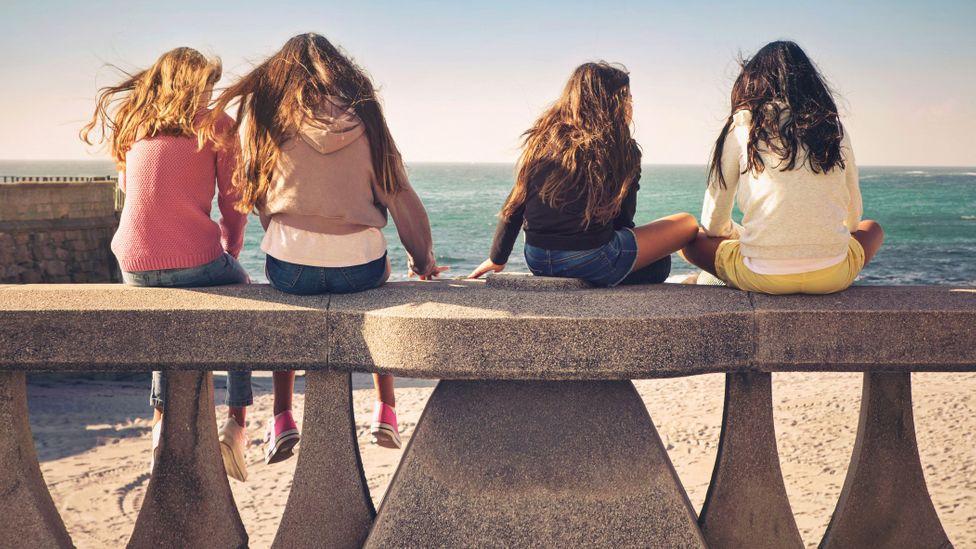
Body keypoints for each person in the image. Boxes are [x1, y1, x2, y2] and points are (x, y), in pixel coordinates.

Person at [208, 33, 447, 455]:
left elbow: (257, 197)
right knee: (379, 276)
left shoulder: (266, 116)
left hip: (290, 268)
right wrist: (423, 259)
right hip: (360, 270)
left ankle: (282, 416)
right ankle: (385, 409)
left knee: (287, 299)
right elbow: (399, 194)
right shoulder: (365, 115)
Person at [80, 47, 258, 482]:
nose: (211, 94)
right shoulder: (217, 125)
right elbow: (234, 202)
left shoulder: (135, 124)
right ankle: (236, 422)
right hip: (194, 259)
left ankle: (159, 420)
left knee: (165, 317)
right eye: (209, 86)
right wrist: (231, 247)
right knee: (244, 301)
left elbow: (132, 188)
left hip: (134, 265)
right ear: (195, 84)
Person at [681, 41, 884, 294]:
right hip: (833, 276)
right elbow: (854, 216)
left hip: (761, 276)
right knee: (872, 228)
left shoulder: (742, 126)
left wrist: (739, 234)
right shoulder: (834, 128)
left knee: (688, 241)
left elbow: (713, 224)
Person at [469, 62, 697, 286]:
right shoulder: (619, 147)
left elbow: (515, 202)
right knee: (684, 228)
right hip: (592, 260)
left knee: (651, 257)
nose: (631, 104)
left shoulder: (544, 141)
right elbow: (623, 219)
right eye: (626, 97)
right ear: (614, 103)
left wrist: (497, 258)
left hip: (537, 259)